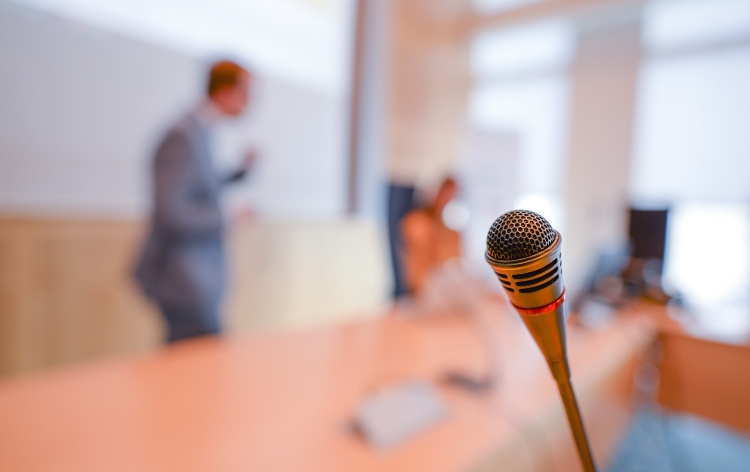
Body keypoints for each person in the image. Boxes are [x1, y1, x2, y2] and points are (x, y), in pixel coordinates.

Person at [134, 60, 255, 343]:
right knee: (192, 369)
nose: (250, 103)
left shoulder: (200, 132)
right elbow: (172, 213)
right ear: (225, 91)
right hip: (183, 279)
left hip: (198, 276)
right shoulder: (183, 136)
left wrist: (240, 173)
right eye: (246, 94)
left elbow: (200, 185)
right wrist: (228, 219)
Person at [400, 177, 461, 295]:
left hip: (443, 290)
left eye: (451, 196)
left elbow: (455, 263)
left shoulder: (450, 231)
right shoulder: (416, 223)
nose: (447, 200)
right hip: (419, 291)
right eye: (445, 194)